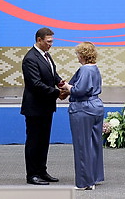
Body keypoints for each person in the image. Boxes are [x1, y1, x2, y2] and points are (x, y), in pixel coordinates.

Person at [21, 27, 66, 185]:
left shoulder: (45, 55)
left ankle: (42, 171)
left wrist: (62, 84)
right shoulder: (30, 58)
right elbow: (35, 84)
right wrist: (57, 93)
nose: (51, 44)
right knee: (34, 141)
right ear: (39, 40)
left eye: (52, 41)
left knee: (44, 141)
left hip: (46, 106)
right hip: (34, 108)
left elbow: (52, 74)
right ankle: (32, 174)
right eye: (48, 42)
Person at [61, 42, 104, 190]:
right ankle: (95, 176)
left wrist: (67, 87)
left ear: (83, 55)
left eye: (78, 54)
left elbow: (80, 90)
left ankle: (85, 182)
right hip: (96, 108)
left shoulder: (85, 69)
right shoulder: (95, 68)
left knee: (82, 145)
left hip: (83, 109)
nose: (77, 57)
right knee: (94, 144)